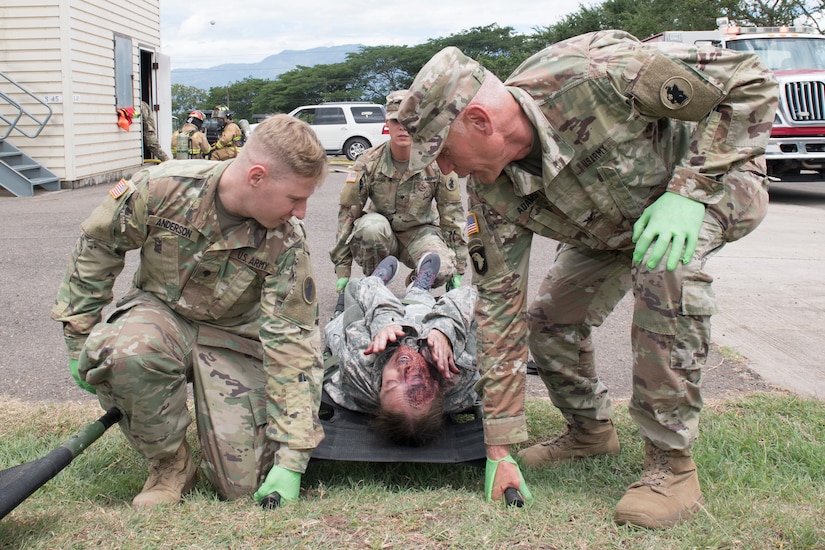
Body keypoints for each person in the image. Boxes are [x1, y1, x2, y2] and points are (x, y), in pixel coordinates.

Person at [397, 31, 778, 528]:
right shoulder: (493, 195)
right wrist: (501, 449)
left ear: (479, 120)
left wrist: (690, 190)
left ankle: (672, 467)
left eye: (442, 153)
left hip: (715, 182)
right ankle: (589, 431)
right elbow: (498, 311)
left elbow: (750, 82)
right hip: (614, 231)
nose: (446, 170)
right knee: (548, 321)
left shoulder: (598, 71)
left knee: (666, 266)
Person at [52, 114, 329, 510]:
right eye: (294, 198)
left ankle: (225, 434)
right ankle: (170, 465)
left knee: (243, 486)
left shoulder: (285, 242)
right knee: (124, 352)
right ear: (256, 177)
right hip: (161, 315)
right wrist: (79, 338)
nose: (301, 212)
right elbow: (98, 247)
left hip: (236, 340)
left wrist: (292, 457)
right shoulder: (163, 187)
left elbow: (293, 343)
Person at [323, 253, 479, 447]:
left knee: (360, 289)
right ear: (437, 387)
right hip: (422, 320)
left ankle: (378, 278)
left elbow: (362, 291)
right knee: (423, 310)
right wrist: (445, 330)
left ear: (379, 391)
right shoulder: (459, 370)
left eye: (391, 383)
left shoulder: (361, 361)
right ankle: (419, 288)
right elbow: (471, 295)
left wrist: (384, 322)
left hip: (361, 322)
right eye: (414, 380)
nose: (403, 370)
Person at [329, 90, 467, 297]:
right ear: (387, 124)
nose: (403, 128)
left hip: (420, 233)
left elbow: (452, 215)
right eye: (396, 121)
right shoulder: (368, 162)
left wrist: (458, 268)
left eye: (410, 121)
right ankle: (376, 283)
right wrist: (343, 269)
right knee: (370, 228)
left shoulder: (436, 162)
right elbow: (348, 213)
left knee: (442, 268)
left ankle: (416, 285)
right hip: (382, 233)